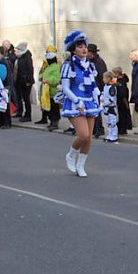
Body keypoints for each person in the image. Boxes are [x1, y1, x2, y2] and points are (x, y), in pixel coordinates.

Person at [54, 30, 101, 177]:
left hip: (89, 103)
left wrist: (99, 98)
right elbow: (66, 88)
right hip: (75, 102)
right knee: (83, 135)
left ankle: (81, 165)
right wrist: (77, 101)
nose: (84, 49)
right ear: (73, 49)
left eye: (84, 46)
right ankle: (71, 154)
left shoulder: (90, 66)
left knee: (89, 137)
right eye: (80, 46)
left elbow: (93, 86)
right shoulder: (69, 66)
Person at [39, 46, 61, 131]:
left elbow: (56, 79)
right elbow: (44, 74)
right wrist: (41, 77)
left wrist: (47, 80)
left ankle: (55, 122)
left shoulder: (56, 67)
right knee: (50, 108)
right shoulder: (49, 67)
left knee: (54, 108)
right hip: (47, 92)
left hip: (53, 92)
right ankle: (51, 121)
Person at [88, 43, 107, 138]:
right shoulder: (88, 62)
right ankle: (94, 128)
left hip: (98, 89)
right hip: (90, 89)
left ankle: (99, 129)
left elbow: (101, 77)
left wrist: (103, 90)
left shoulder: (99, 63)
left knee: (97, 110)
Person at [13, 42, 34, 122]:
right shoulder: (19, 58)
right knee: (19, 97)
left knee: (26, 98)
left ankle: (28, 115)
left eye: (17, 50)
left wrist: (28, 80)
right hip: (19, 81)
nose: (16, 52)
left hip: (25, 82)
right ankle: (19, 111)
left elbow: (30, 70)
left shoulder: (27, 58)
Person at [0, 45, 12, 129]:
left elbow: (2, 75)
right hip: (4, 85)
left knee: (5, 104)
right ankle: (1, 121)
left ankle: (7, 122)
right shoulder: (1, 61)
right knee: (1, 105)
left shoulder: (2, 62)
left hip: (5, 86)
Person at [113, 66, 132, 136]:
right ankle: (121, 128)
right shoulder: (120, 81)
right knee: (122, 115)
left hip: (122, 101)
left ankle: (122, 129)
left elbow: (122, 93)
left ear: (117, 73)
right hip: (121, 100)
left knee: (123, 115)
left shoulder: (121, 82)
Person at [100, 71, 118, 143]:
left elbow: (112, 98)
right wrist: (101, 99)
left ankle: (114, 136)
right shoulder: (105, 86)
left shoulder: (112, 87)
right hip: (106, 107)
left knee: (113, 122)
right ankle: (109, 135)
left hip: (111, 107)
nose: (103, 79)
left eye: (104, 78)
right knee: (108, 122)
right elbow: (103, 93)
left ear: (108, 78)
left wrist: (105, 103)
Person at [128, 49, 138, 135]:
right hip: (134, 90)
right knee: (137, 108)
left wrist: (136, 91)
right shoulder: (134, 66)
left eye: (132, 55)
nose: (130, 57)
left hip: (137, 91)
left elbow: (137, 80)